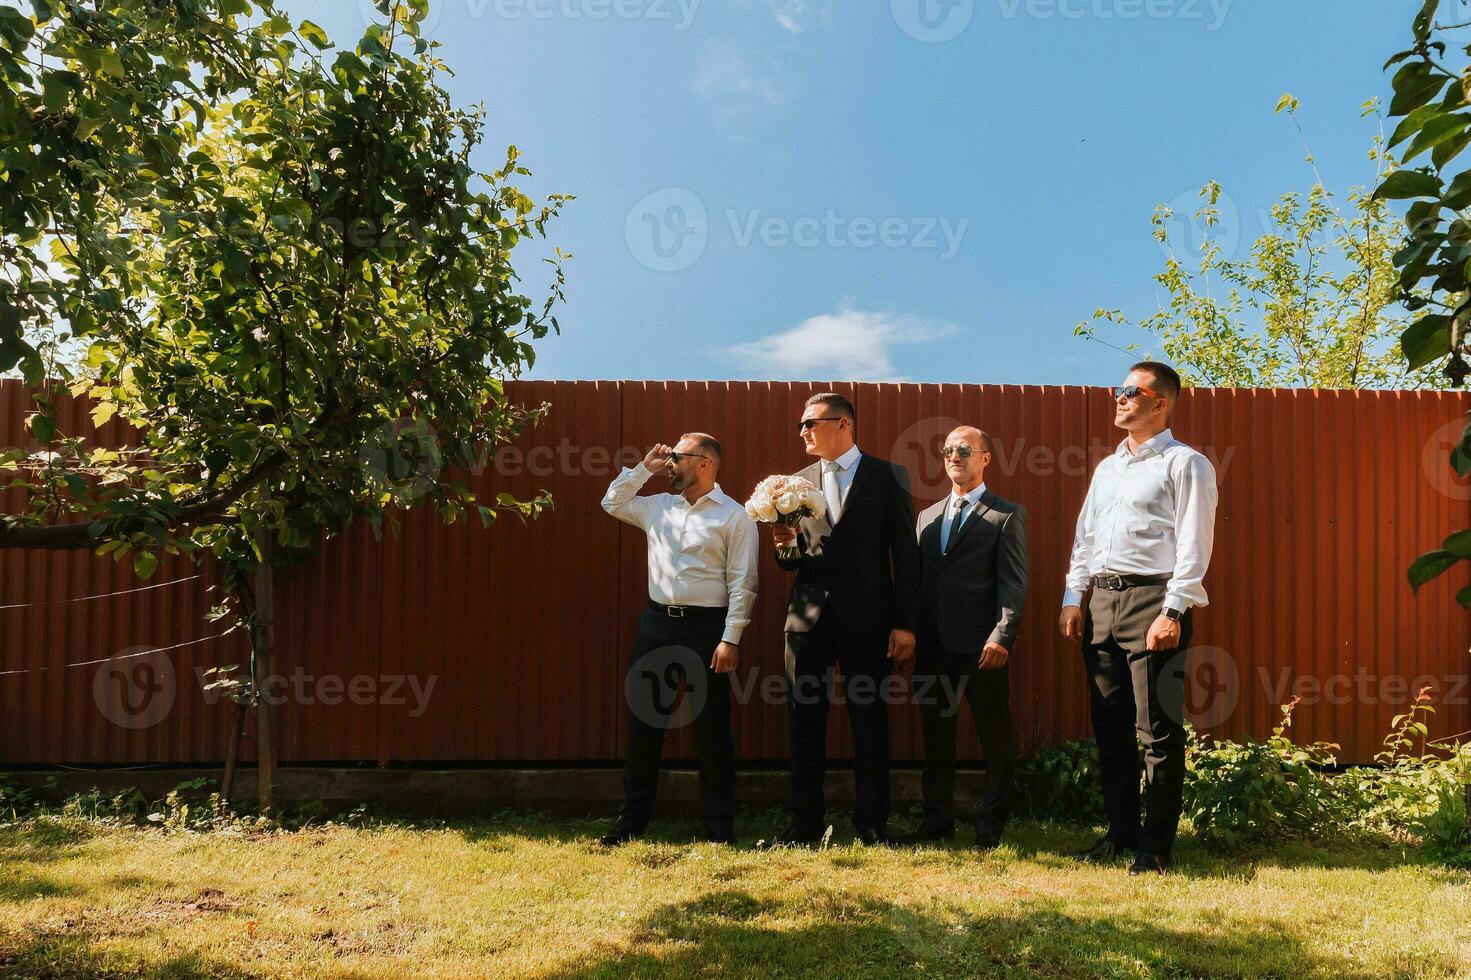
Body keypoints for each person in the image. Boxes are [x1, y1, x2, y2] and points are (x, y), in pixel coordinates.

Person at [1059, 362, 1218, 875]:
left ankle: (1156, 848)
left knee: (1158, 733)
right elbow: (1086, 537)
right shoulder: (1108, 468)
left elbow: (1195, 543)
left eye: (1132, 391)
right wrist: (1072, 597)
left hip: (1154, 603)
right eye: (1119, 390)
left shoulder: (1185, 463)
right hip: (1101, 605)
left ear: (1162, 402)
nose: (1120, 397)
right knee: (1109, 729)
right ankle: (1120, 833)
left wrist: (1174, 609)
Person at [769, 393, 921, 846]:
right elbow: (791, 562)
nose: (802, 432)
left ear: (843, 425)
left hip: (869, 619)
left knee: (869, 720)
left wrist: (905, 622)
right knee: (803, 720)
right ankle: (804, 826)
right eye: (800, 425)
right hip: (807, 619)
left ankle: (872, 824)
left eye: (810, 423)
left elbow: (906, 555)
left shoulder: (887, 476)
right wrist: (784, 545)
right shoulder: (795, 482)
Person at [599, 433, 758, 846]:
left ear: (704, 463)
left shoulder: (734, 517)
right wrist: (641, 471)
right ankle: (630, 822)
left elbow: (743, 583)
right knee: (643, 725)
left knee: (712, 729)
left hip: (708, 631)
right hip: (656, 626)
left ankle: (719, 826)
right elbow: (611, 502)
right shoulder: (657, 507)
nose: (669, 461)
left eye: (677, 456)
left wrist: (731, 638)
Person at [900, 426, 1027, 851]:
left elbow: (1013, 583)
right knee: (936, 736)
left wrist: (1002, 636)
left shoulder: (1004, 514)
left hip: (981, 648)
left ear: (986, 458)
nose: (955, 456)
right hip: (933, 647)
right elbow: (917, 583)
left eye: (965, 450)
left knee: (994, 736)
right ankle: (936, 820)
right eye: (948, 450)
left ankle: (990, 825)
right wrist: (910, 631)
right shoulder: (927, 516)